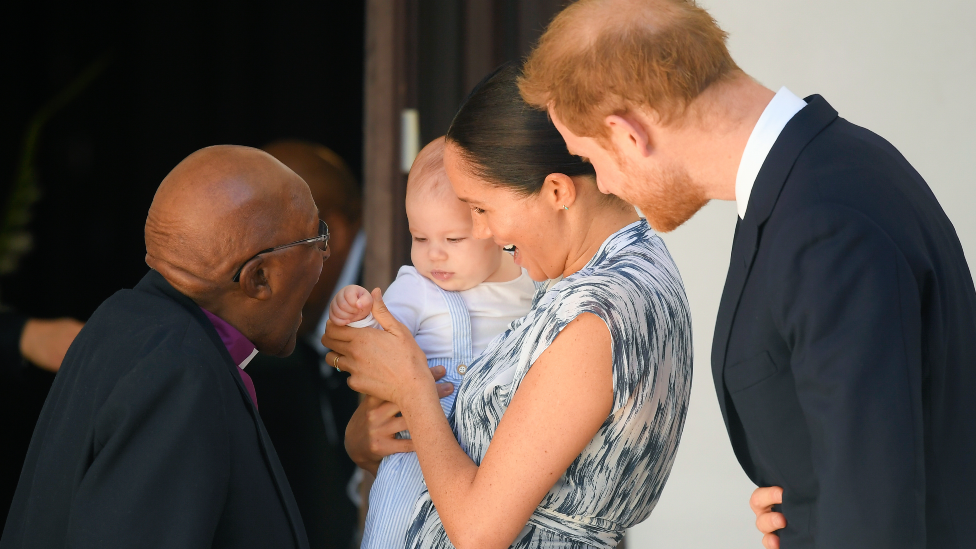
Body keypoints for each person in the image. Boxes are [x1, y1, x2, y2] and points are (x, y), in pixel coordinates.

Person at [517, 1, 976, 548]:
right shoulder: (826, 172)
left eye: (593, 160)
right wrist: (807, 503)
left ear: (628, 133)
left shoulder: (822, 226)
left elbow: (876, 512)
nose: (608, 185)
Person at [330, 63, 693, 549]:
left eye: (482, 208)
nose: (482, 232)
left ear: (558, 191)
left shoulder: (596, 315)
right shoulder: (616, 270)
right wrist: (372, 436)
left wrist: (413, 386)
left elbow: (479, 532)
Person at [1, 145, 328, 549]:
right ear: (258, 278)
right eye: (317, 238)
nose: (324, 256)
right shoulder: (179, 376)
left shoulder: (124, 320)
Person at [330, 136, 537, 549]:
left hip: (505, 451)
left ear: (494, 226)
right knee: (397, 529)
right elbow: (379, 343)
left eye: (453, 240)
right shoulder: (416, 288)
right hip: (421, 447)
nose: (434, 255)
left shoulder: (533, 283)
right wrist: (356, 315)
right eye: (419, 238)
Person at [244, 140, 364, 549]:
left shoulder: (391, 302)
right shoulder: (310, 313)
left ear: (325, 235)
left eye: (261, 249)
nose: (246, 276)